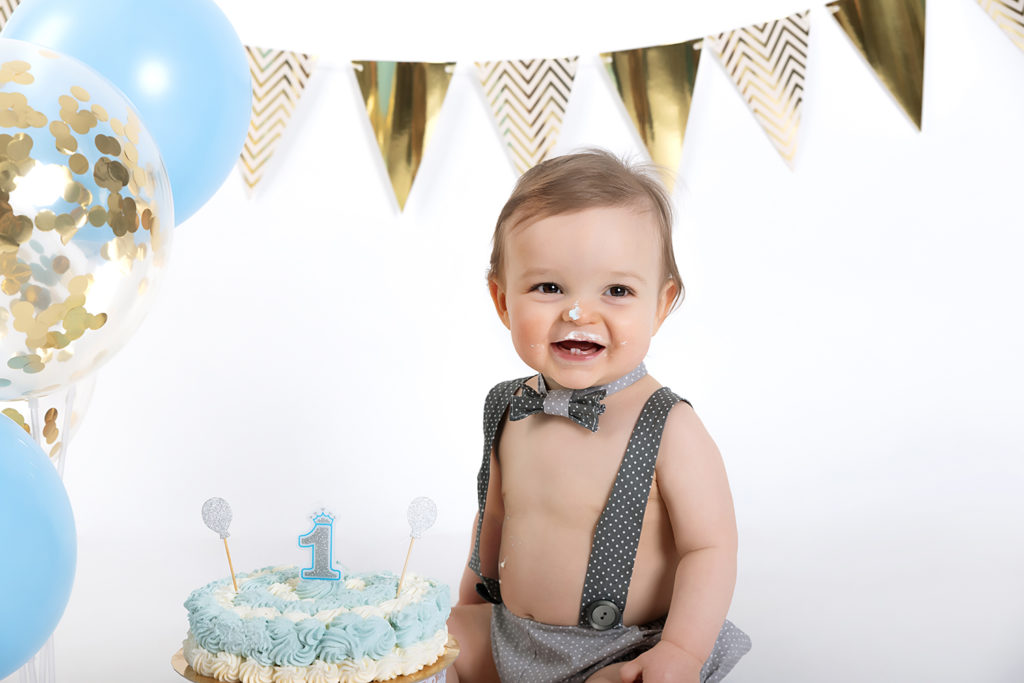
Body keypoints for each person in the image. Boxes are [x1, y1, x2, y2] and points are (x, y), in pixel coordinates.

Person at [447, 149, 750, 683]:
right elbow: (492, 521)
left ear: (660, 304)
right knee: (436, 645)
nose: (578, 312)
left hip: (619, 652)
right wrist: (470, 605)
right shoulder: (509, 406)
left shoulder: (669, 426)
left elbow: (711, 546)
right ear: (502, 301)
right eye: (548, 287)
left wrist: (680, 651)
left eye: (617, 291)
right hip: (509, 634)